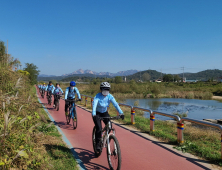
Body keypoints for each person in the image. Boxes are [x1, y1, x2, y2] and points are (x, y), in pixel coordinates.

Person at [92, 82, 124, 151]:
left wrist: (121, 113)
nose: (106, 91)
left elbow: (115, 104)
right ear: (101, 89)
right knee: (99, 128)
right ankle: (97, 143)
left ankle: (104, 137)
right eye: (104, 89)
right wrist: (94, 114)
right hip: (97, 113)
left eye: (107, 89)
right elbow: (94, 105)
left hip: (104, 113)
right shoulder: (97, 96)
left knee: (109, 126)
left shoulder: (110, 96)